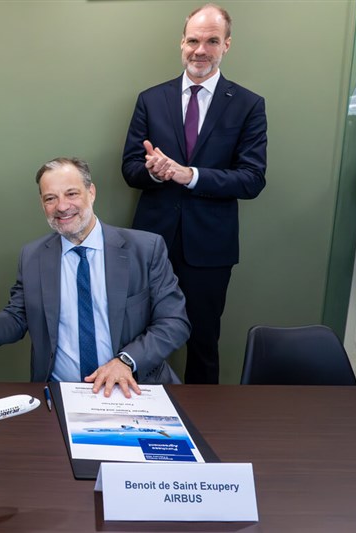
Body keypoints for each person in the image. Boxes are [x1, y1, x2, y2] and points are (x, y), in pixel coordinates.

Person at [0, 158, 190, 397]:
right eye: (50, 198)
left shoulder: (145, 248)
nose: (62, 206)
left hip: (133, 387)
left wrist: (125, 361)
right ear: (42, 204)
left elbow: (174, 322)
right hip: (60, 393)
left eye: (71, 194)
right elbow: (18, 317)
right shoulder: (33, 256)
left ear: (91, 192)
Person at [121, 4, 267, 384]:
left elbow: (252, 180)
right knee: (136, 340)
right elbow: (130, 170)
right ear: (181, 43)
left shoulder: (249, 105)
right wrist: (154, 172)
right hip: (150, 244)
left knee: (203, 344)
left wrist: (191, 176)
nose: (200, 50)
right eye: (193, 40)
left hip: (209, 250)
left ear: (227, 46)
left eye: (212, 41)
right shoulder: (150, 99)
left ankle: (205, 430)